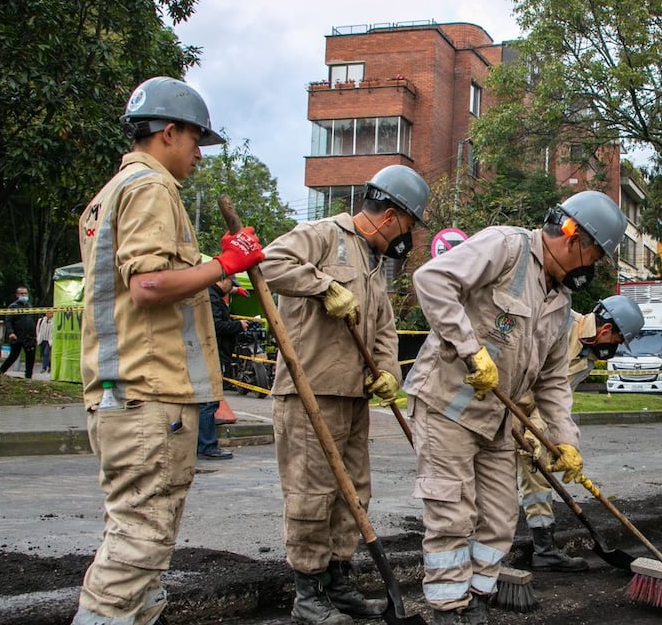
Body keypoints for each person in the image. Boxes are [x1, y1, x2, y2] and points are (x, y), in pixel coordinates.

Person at [71, 76, 264, 625]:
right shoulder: (150, 189)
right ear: (168, 131)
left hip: (128, 390)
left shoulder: (110, 194)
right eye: (195, 140)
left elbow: (153, 280)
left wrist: (214, 273)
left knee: (140, 539)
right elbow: (149, 285)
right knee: (139, 542)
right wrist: (227, 264)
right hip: (147, 393)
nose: (199, 154)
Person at [404, 189, 625, 625]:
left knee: (501, 517)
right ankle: (449, 609)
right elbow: (432, 280)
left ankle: (477, 599)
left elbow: (553, 381)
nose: (591, 267)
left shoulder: (560, 305)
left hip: (497, 421)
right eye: (594, 255)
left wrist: (565, 440)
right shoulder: (505, 247)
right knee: (452, 511)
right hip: (447, 405)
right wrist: (469, 348)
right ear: (573, 236)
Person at [261, 164, 429, 625]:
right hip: (310, 395)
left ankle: (338, 582)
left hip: (353, 398)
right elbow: (269, 263)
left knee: (352, 494)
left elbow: (385, 328)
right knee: (311, 494)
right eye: (410, 225)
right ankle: (308, 593)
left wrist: (388, 372)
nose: (408, 236)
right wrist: (323, 286)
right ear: (392, 215)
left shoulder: (374, 264)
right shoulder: (320, 235)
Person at [515, 294, 643, 573]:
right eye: (619, 342)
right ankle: (482, 554)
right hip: (504, 401)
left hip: (528, 413)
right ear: (606, 330)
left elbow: (555, 398)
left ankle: (544, 549)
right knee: (493, 479)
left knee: (536, 470)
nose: (617, 349)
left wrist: (554, 439)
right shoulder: (560, 323)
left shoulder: (587, 358)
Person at [200, 276, 245, 461]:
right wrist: (238, 325)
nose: (231, 288)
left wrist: (237, 291)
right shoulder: (212, 299)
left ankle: (205, 443)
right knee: (209, 400)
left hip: (214, 352)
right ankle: (207, 445)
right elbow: (216, 325)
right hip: (213, 352)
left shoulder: (212, 294)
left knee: (210, 400)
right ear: (221, 281)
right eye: (230, 284)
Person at [0, 286, 37, 378]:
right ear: (17, 295)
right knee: (13, 356)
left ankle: (28, 377)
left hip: (29, 336)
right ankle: (0, 372)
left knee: (30, 357)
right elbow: (8, 321)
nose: (24, 295)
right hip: (17, 336)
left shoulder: (29, 306)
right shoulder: (13, 306)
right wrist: (11, 333)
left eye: (25, 293)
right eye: (22, 293)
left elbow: (32, 320)